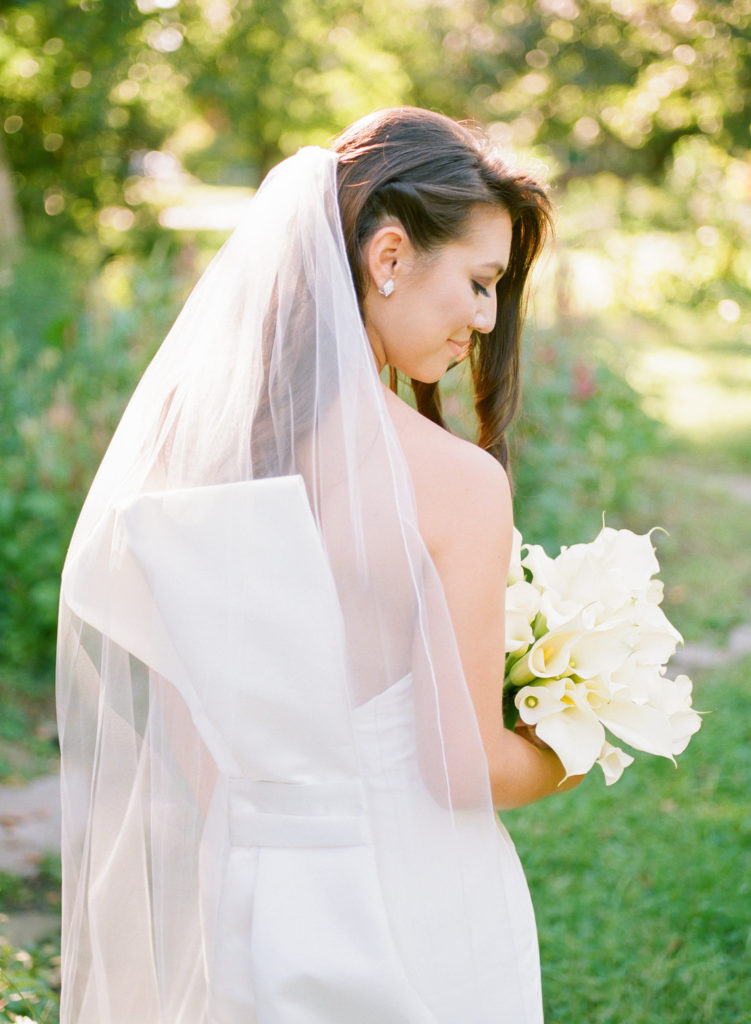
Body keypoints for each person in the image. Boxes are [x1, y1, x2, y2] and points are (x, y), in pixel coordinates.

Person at [56, 107, 579, 1024]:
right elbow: (463, 768)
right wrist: (577, 744)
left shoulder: (194, 453)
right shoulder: (457, 485)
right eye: (480, 280)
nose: (486, 318)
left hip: (248, 891)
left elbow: (190, 735)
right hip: (415, 894)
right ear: (387, 257)